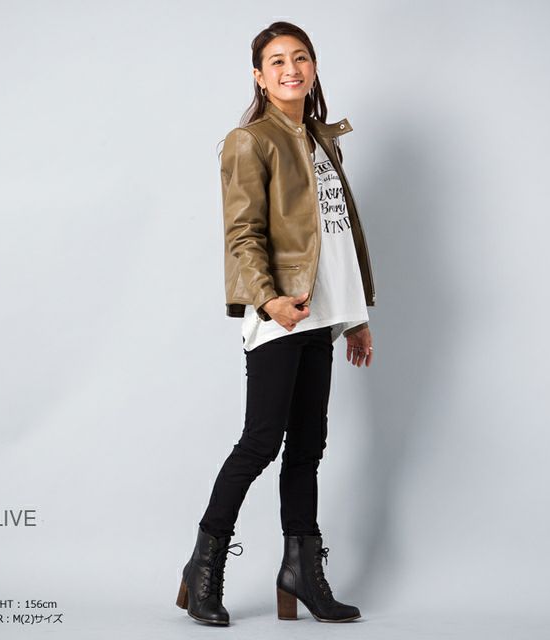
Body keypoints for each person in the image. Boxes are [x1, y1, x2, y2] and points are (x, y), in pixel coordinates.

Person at [175, 21, 376, 626]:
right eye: (277, 61)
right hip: (281, 313)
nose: (292, 68)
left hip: (323, 315)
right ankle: (203, 566)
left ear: (313, 68)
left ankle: (301, 571)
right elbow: (242, 233)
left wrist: (356, 316)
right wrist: (267, 301)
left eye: (301, 57)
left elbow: (336, 239)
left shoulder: (321, 139)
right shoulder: (250, 141)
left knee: (308, 446)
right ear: (259, 77)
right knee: (261, 441)